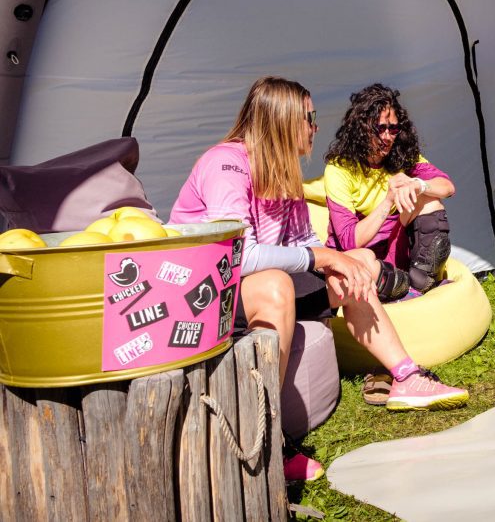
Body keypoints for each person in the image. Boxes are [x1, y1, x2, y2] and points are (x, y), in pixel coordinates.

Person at [170, 76, 468, 482]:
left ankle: (406, 377)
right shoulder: (226, 164)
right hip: (205, 294)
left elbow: (303, 240)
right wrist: (323, 255)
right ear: (283, 120)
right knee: (278, 284)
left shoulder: (283, 169)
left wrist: (341, 264)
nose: (315, 126)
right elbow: (241, 257)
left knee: (354, 267)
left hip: (256, 283)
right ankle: (270, 438)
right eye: (309, 117)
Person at [323, 84, 454, 298]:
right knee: (364, 258)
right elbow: (350, 241)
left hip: (395, 251)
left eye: (393, 129)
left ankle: (416, 286)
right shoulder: (339, 169)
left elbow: (447, 187)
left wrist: (419, 185)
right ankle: (400, 291)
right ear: (362, 128)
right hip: (359, 257)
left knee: (430, 201)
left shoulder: (402, 156)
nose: (387, 137)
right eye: (380, 128)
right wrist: (388, 201)